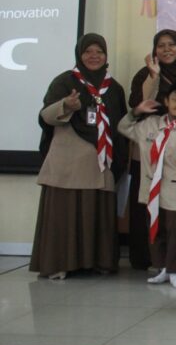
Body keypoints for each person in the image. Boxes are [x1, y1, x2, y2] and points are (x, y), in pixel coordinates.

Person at [31, 34, 128, 280]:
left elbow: (120, 124)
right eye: (88, 51)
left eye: (99, 51)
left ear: (106, 55)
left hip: (101, 162)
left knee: (98, 213)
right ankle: (60, 263)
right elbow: (46, 116)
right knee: (65, 215)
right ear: (79, 54)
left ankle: (97, 262)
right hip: (69, 163)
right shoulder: (65, 81)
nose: (94, 56)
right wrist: (66, 105)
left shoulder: (114, 88)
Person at [118, 78, 176, 289]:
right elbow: (123, 127)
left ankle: (174, 270)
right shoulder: (150, 124)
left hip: (175, 189)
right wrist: (136, 111)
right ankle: (161, 267)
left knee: (175, 230)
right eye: (175, 99)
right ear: (166, 101)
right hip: (150, 188)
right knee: (155, 228)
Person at [127, 29, 176, 270]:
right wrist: (153, 77)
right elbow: (139, 105)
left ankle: (175, 261)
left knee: (175, 215)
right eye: (161, 45)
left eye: (171, 45)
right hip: (149, 147)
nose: (167, 50)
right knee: (147, 206)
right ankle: (149, 259)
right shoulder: (144, 74)